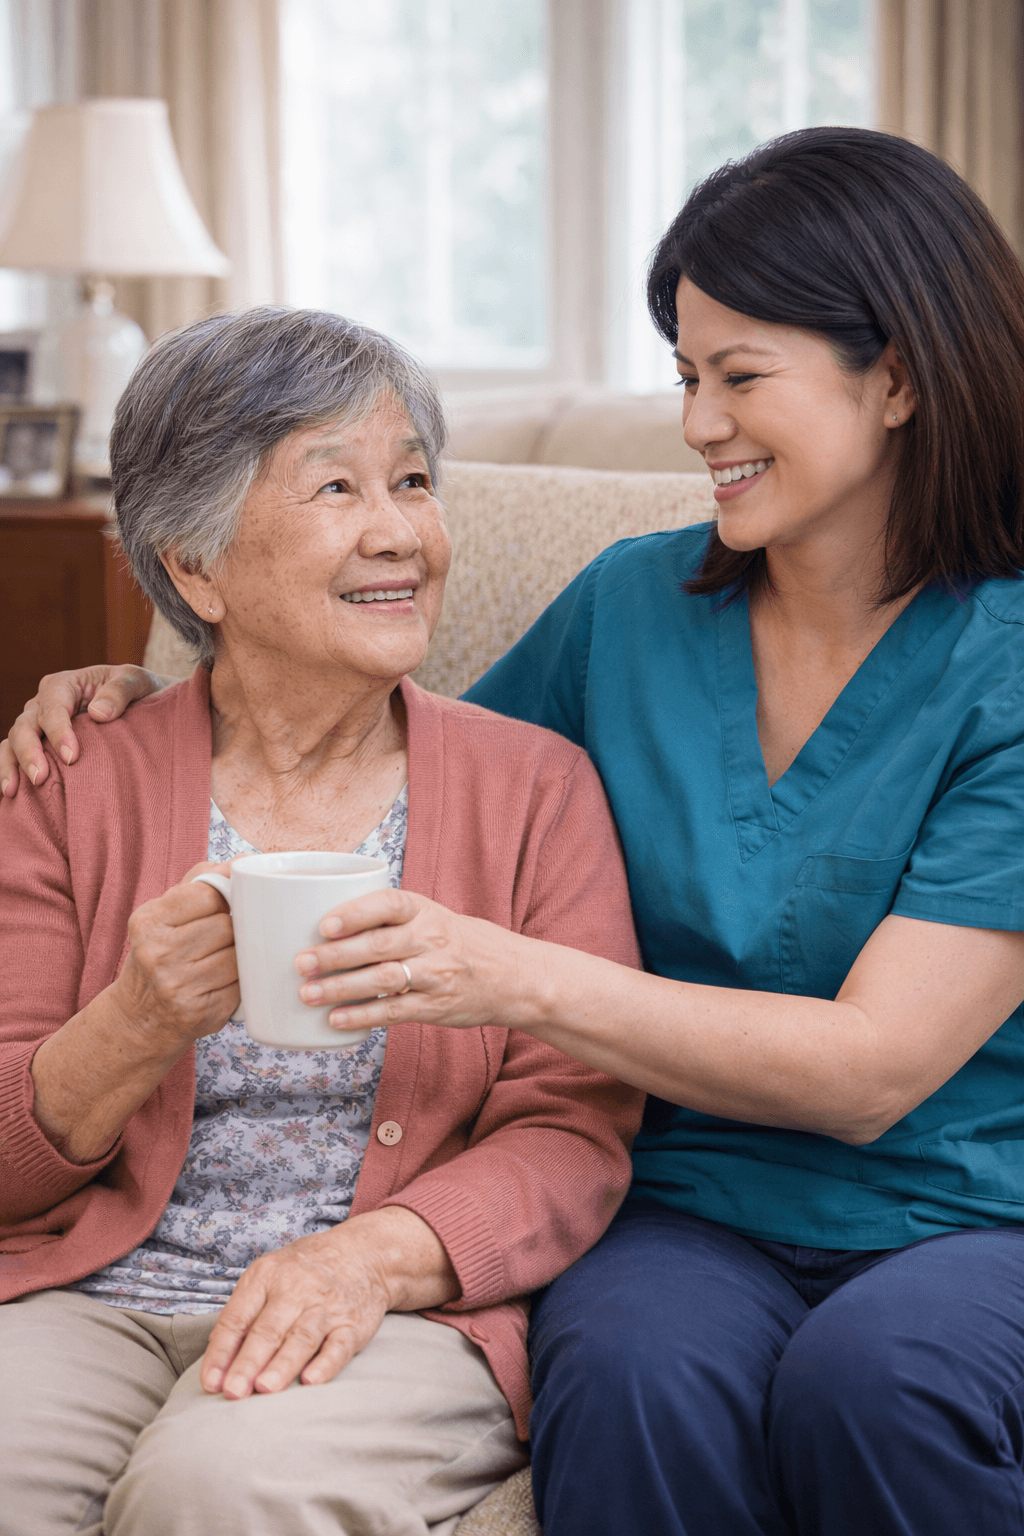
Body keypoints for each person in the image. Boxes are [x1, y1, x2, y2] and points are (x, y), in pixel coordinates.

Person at [9, 126, 1024, 1536]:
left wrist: (499, 976)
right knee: (626, 1365)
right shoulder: (627, 610)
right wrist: (143, 688)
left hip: (955, 1202)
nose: (695, 427)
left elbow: (872, 1070)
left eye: (739, 378)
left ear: (900, 377)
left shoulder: (1006, 663)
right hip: (691, 1200)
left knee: (880, 1383)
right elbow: (382, 744)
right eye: (683, 377)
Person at [0, 307, 644, 1536]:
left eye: (412, 480)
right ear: (194, 568)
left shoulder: (536, 791)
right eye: (337, 486)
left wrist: (372, 1256)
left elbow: (576, 1127)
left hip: (389, 1307)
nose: (399, 530)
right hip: (89, 1286)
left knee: (223, 1488)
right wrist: (134, 1025)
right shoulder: (71, 778)